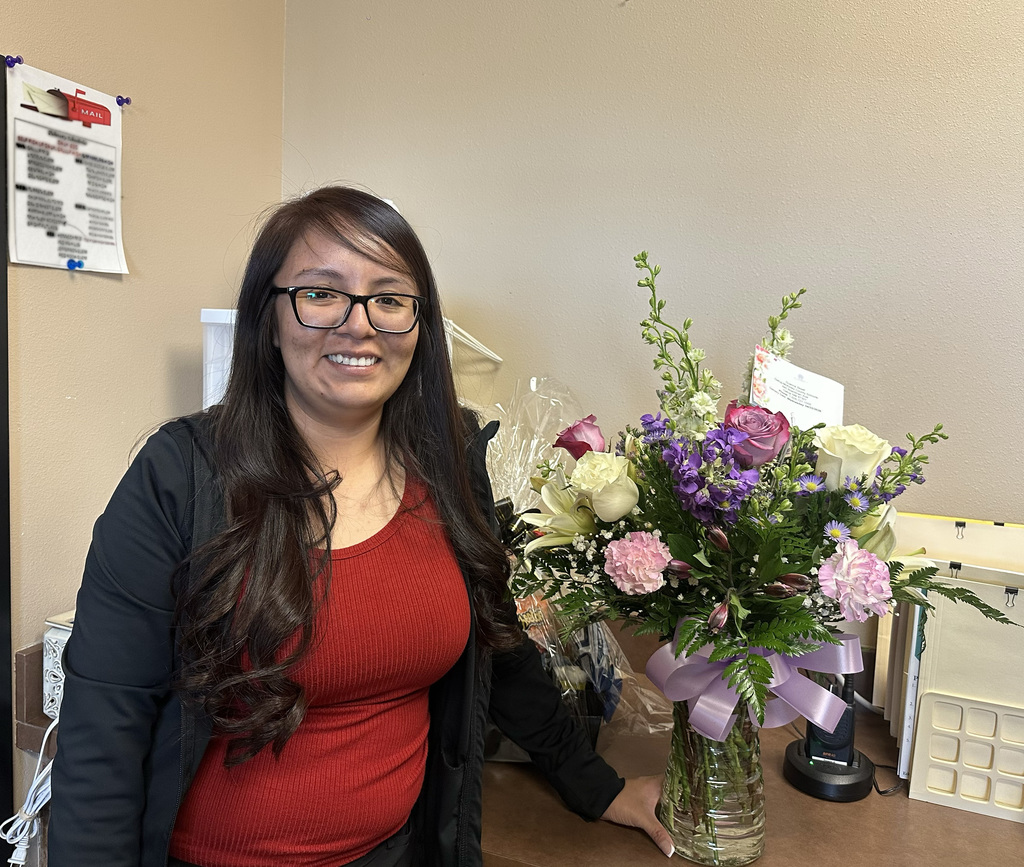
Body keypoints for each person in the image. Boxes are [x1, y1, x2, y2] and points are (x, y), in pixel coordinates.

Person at [48, 186, 672, 867]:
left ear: (418, 322)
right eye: (321, 293)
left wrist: (596, 785)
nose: (360, 323)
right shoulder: (181, 477)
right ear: (270, 315)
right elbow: (102, 734)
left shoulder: (451, 462)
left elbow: (498, 643)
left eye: (389, 297)